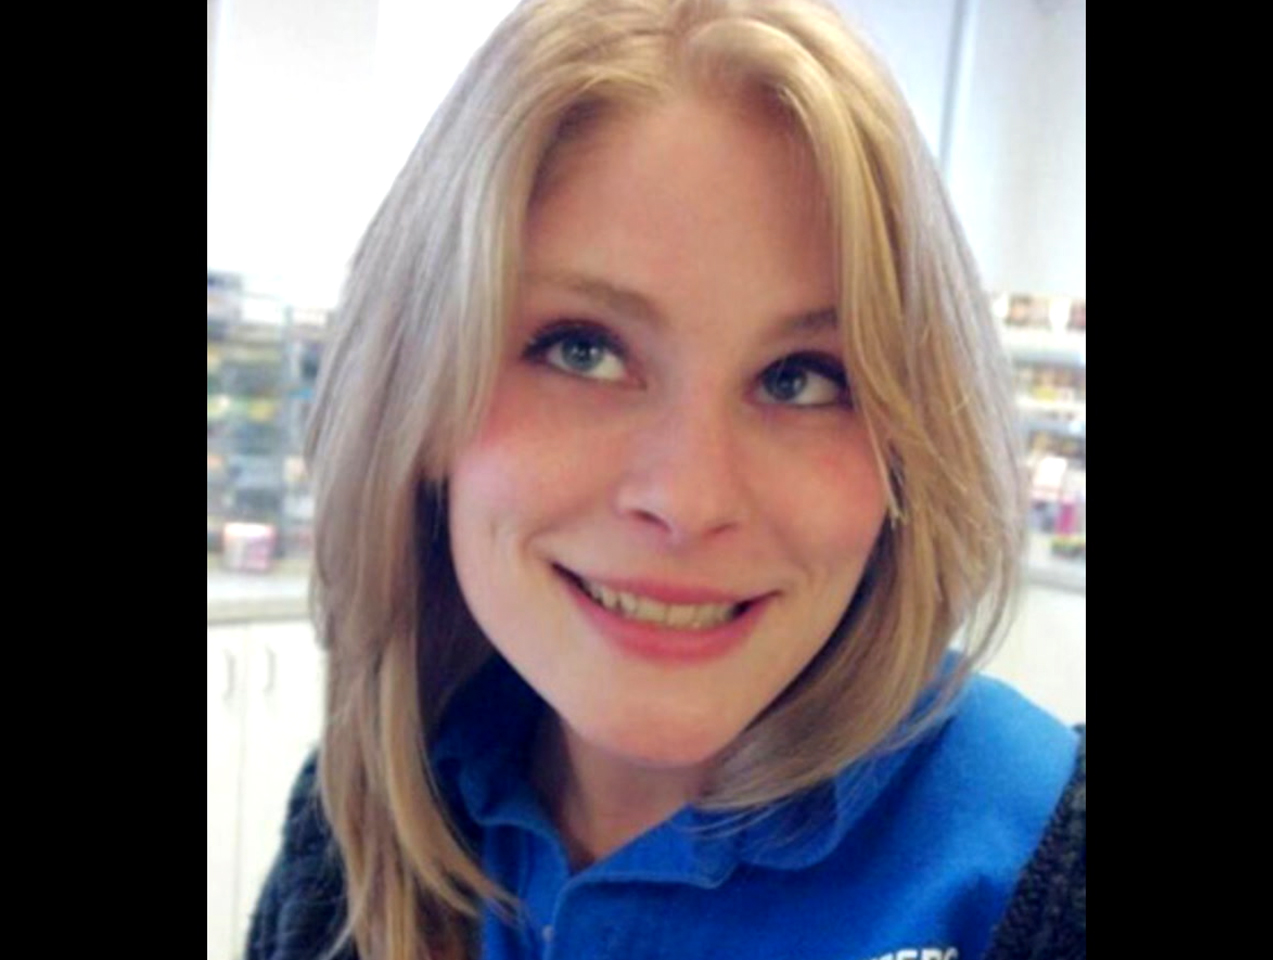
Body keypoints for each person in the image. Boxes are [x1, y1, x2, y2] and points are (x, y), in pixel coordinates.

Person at [246, 0, 1086, 957]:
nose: (689, 500)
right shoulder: (358, 828)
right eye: (583, 350)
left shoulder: (1039, 865)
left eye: (799, 378)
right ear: (417, 396)